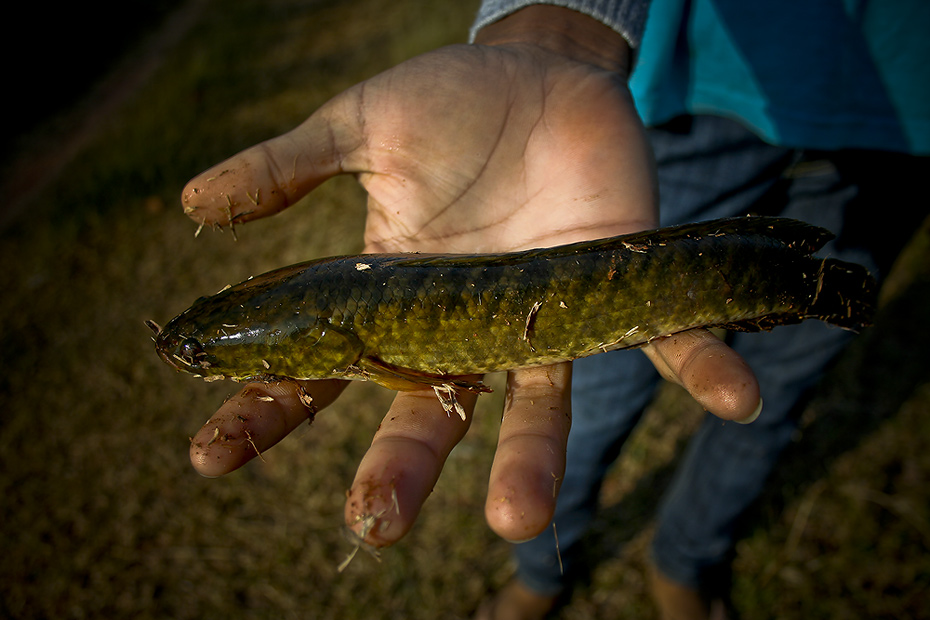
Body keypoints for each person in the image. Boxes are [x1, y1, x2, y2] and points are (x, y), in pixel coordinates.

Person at [178, 1, 929, 619]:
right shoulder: (330, 306)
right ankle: (542, 574)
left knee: (773, 387)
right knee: (591, 417)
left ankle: (689, 560)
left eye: (212, 351)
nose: (204, 357)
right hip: (710, 86)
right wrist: (555, 27)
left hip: (906, 103)